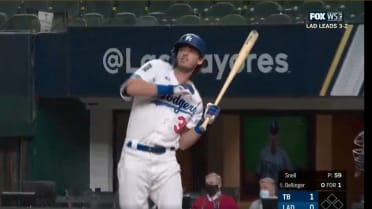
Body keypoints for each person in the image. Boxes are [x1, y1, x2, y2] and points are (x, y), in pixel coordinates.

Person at [117, 33, 221, 209]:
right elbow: (130, 87)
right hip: (135, 156)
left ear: (200, 60)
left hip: (166, 160)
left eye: (191, 51)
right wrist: (172, 89)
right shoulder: (158, 68)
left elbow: (183, 143)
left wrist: (204, 124)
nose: (184, 53)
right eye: (182, 49)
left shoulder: (195, 100)